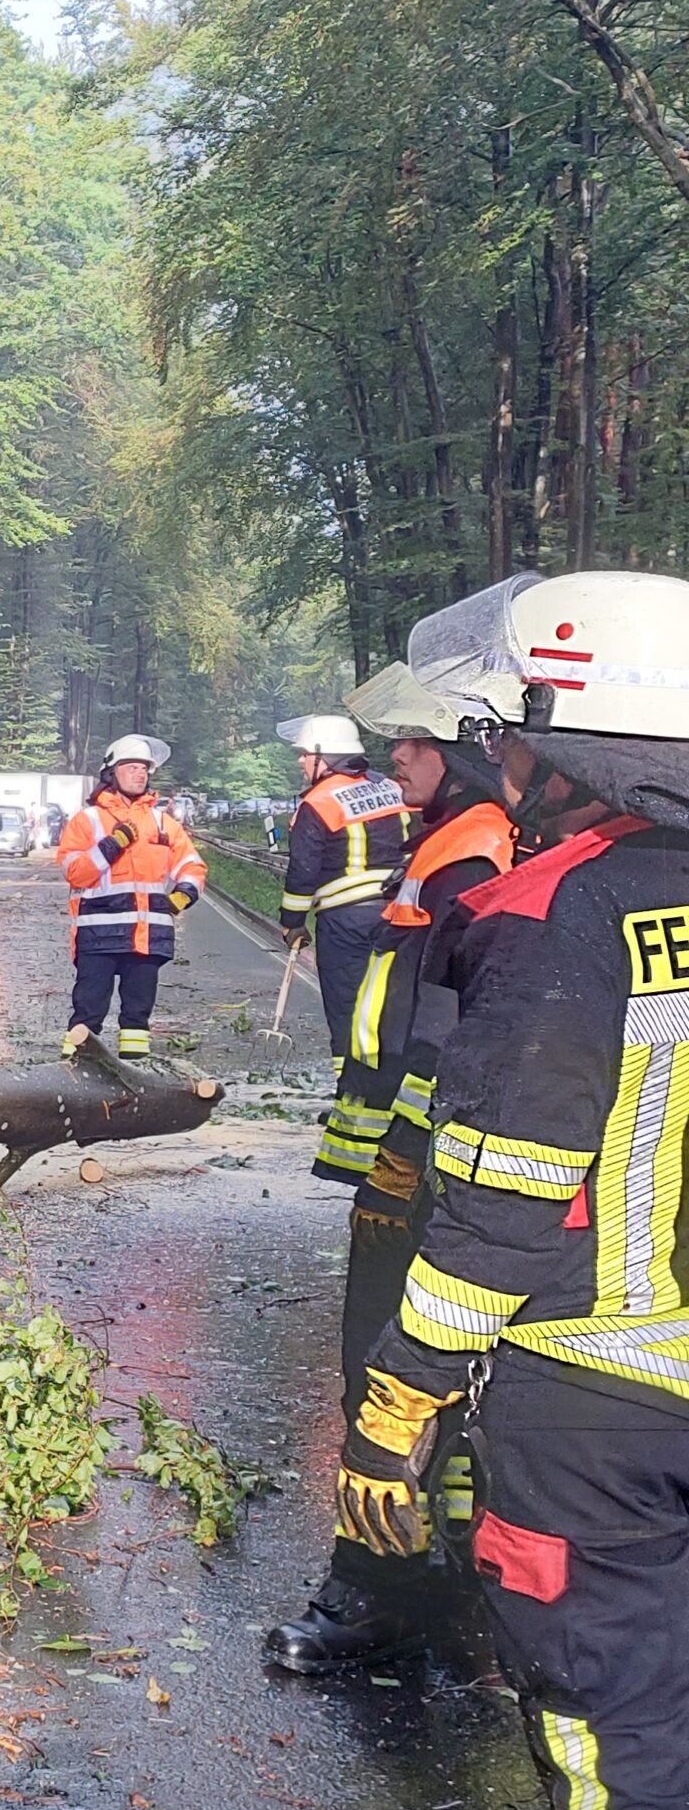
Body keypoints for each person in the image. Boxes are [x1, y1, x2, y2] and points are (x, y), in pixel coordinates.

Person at [325, 570, 689, 1810]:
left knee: (619, 1750)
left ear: (572, 746)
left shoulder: (566, 916)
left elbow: (499, 1208)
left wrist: (398, 1399)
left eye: (514, 736)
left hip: (596, 1410)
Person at [267, 659, 516, 1672]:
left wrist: (404, 1153)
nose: (396, 759)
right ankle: (447, 1550)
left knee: (385, 1365)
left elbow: (445, 1028)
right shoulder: (442, 843)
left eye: (412, 744)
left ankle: (372, 1587)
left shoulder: (468, 860)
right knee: (446, 1370)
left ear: (456, 752)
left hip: (421, 1170)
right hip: (409, 1155)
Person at [55, 734, 207, 1061]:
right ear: (112, 772)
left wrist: (184, 894)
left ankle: (135, 1078)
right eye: (132, 767)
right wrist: (112, 845)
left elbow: (192, 865)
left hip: (147, 937)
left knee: (137, 1018)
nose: (140, 774)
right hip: (99, 937)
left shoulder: (162, 823)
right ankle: (71, 1074)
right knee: (88, 1011)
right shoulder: (87, 821)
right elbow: (75, 872)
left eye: (144, 768)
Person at [277, 711, 409, 1053]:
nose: (301, 762)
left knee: (347, 1007)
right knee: (393, 1008)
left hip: (344, 923)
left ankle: (350, 1093)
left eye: (306, 754)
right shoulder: (393, 788)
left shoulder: (318, 802)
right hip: (401, 915)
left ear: (326, 757)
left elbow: (303, 871)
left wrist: (292, 923)